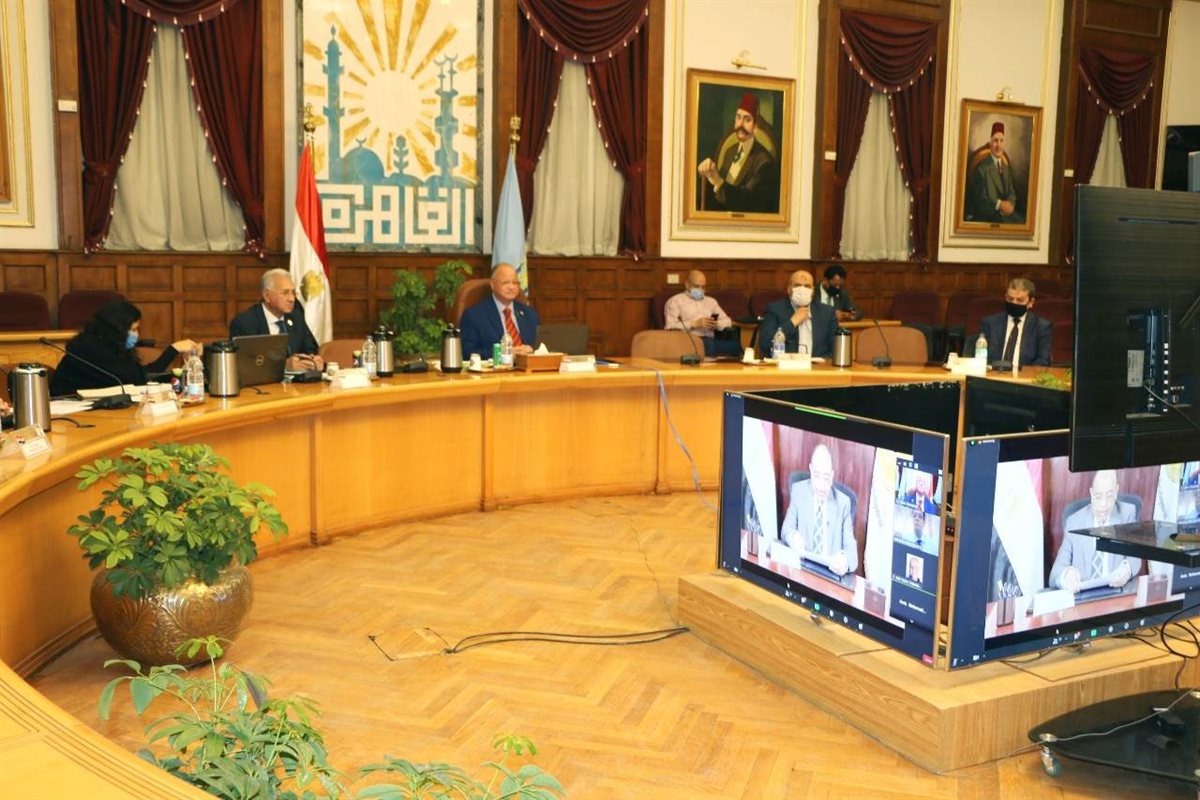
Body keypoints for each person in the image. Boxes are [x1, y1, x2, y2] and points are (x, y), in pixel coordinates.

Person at [49, 299, 201, 396]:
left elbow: (139, 375)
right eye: (133, 329)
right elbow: (138, 380)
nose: (136, 335)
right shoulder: (90, 348)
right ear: (118, 329)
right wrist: (173, 350)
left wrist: (184, 370)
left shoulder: (111, 345)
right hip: (68, 407)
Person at [1049, 470, 1142, 594]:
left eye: (1109, 496)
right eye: (1098, 496)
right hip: (1083, 596)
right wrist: (1066, 575)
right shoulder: (1074, 522)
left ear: (1116, 491)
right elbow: (1055, 573)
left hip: (1115, 593)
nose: (1103, 505)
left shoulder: (1127, 514)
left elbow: (1135, 556)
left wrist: (1127, 569)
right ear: (1092, 493)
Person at [780, 445, 858, 577]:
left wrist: (844, 561)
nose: (821, 485)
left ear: (832, 475)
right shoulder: (799, 491)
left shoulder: (843, 503)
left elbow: (852, 554)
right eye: (817, 476)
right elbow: (786, 529)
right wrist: (793, 537)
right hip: (802, 569)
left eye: (826, 478)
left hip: (829, 575)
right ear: (811, 470)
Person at [696, 92, 780, 214]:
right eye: (738, 117)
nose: (740, 124)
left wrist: (717, 180)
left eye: (747, 119)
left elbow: (745, 202)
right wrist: (706, 173)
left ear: (755, 126)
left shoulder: (764, 162)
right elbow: (717, 195)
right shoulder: (730, 151)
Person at [229, 269, 324, 373]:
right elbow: (244, 365)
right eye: (285, 293)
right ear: (267, 296)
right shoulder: (245, 323)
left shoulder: (296, 317)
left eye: (293, 293)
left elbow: (310, 349)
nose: (292, 299)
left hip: (296, 382)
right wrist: (283, 367)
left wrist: (314, 361)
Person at [460, 263, 539, 360]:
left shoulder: (530, 314)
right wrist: (502, 353)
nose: (511, 287)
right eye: (505, 282)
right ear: (492, 285)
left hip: (527, 368)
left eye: (515, 283)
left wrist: (532, 351)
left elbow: (541, 347)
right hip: (496, 369)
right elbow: (466, 352)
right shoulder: (474, 316)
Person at [757, 270, 837, 358]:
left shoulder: (827, 312)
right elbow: (764, 344)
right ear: (789, 289)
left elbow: (835, 349)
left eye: (807, 286)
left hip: (817, 365)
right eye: (797, 285)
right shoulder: (774, 309)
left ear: (813, 291)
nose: (802, 290)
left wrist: (819, 363)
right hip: (786, 364)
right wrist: (792, 322)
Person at [663, 270, 738, 357]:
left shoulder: (711, 302)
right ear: (687, 284)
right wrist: (694, 324)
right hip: (688, 340)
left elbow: (728, 321)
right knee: (708, 345)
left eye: (703, 287)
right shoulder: (675, 301)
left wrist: (716, 324)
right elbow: (670, 326)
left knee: (736, 347)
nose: (700, 290)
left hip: (710, 338)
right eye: (697, 286)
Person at [979, 278, 1052, 368]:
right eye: (1010, 299)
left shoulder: (1041, 326)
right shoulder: (990, 323)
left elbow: (1043, 360)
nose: (1014, 303)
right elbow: (981, 356)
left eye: (1020, 300)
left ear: (1031, 302)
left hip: (1024, 374)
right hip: (994, 373)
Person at [967, 121, 1021, 224]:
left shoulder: (1005, 167)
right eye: (995, 141)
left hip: (1006, 214)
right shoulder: (982, 168)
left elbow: (1011, 192)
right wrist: (1000, 205)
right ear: (990, 143)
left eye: (1001, 141)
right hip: (989, 216)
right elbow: (980, 200)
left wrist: (1011, 205)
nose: (998, 145)